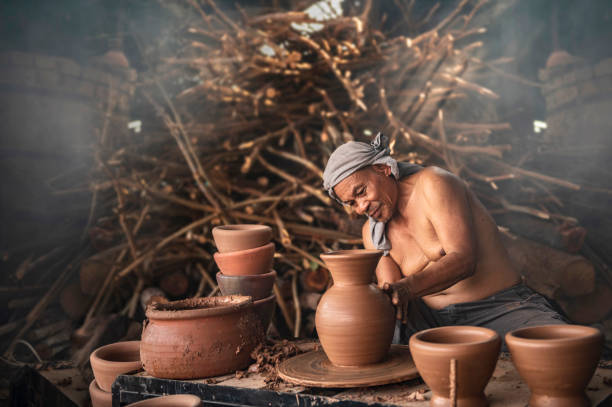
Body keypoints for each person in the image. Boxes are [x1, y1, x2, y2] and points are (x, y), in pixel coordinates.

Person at [322, 133, 567, 345]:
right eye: (351, 203)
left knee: (562, 355)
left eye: (361, 192)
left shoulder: (434, 184)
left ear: (383, 169)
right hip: (431, 322)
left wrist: (407, 288)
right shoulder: (372, 233)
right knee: (385, 349)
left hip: (499, 307)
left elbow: (464, 260)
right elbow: (394, 298)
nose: (361, 207)